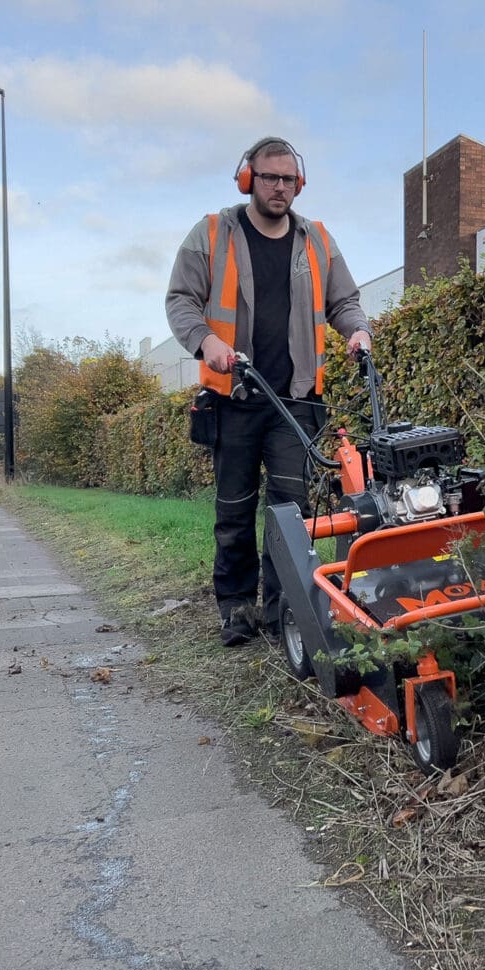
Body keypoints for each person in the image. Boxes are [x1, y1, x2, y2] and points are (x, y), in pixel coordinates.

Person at [166, 136, 372, 646]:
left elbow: (344, 301)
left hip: (295, 402)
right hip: (233, 400)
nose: (280, 188)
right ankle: (237, 608)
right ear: (248, 179)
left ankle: (284, 609)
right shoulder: (212, 234)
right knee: (234, 508)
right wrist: (207, 340)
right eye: (270, 178)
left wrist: (359, 330)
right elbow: (180, 301)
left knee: (291, 513)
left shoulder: (318, 240)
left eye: (289, 180)